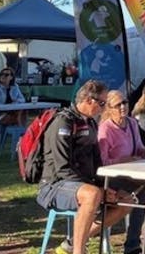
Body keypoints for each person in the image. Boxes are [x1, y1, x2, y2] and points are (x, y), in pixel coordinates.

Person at [36, 80, 130, 254]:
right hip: (54, 185)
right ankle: (79, 251)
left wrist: (105, 187)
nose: (104, 108)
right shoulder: (63, 122)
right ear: (88, 100)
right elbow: (63, 168)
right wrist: (96, 189)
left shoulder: (92, 123)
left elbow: (97, 162)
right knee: (92, 195)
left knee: (127, 201)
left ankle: (72, 243)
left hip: (83, 184)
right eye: (102, 103)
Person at [97, 90, 145, 254]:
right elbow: (103, 162)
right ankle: (133, 245)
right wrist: (124, 160)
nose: (123, 107)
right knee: (143, 194)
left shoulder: (132, 123)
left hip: (134, 173)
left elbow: (140, 146)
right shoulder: (105, 129)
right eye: (118, 104)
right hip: (113, 177)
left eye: (125, 102)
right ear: (109, 108)